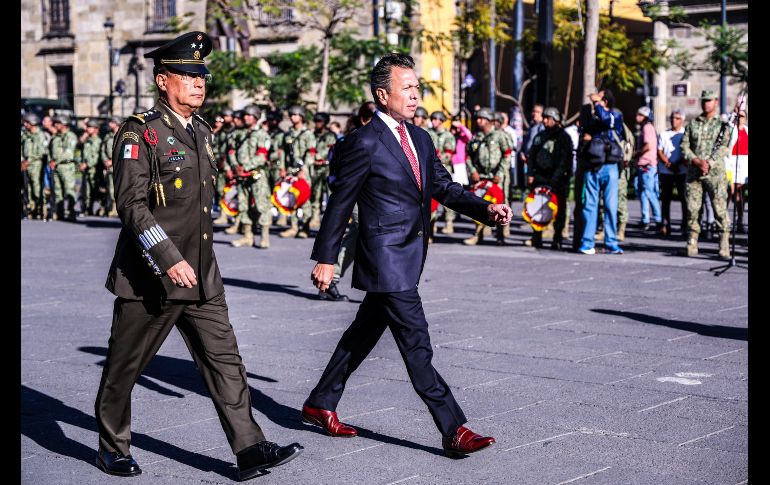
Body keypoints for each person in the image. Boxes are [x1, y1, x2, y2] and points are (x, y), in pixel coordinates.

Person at [94, 32, 302, 481]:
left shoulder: (202, 131)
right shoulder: (140, 132)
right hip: (152, 276)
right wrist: (168, 257)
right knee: (125, 367)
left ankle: (249, 448)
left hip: (203, 275)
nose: (198, 82)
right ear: (162, 79)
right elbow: (131, 206)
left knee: (225, 360)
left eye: (201, 75)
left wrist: (198, 263)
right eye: (187, 75)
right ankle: (112, 445)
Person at [302, 53, 512, 458]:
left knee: (362, 335)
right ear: (383, 95)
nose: (415, 95)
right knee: (417, 342)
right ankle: (453, 428)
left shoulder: (419, 138)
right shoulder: (362, 142)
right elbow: (340, 203)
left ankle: (320, 402)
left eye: (417, 88)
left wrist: (485, 209)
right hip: (385, 257)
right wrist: (326, 257)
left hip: (409, 254)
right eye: (407, 88)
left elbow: (443, 188)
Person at [681, 90, 731, 259]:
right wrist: (696, 161)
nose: (706, 104)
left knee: (719, 209)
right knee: (692, 209)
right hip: (694, 172)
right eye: (704, 101)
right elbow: (684, 146)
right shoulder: (693, 123)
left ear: (716, 102)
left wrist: (708, 162)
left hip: (715, 173)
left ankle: (724, 242)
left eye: (709, 101)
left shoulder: (722, 125)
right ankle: (692, 240)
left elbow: (724, 147)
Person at [577, 90, 624, 254]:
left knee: (611, 206)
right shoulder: (592, 119)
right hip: (593, 166)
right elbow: (585, 132)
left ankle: (611, 242)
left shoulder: (615, 115)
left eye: (600, 97)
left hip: (609, 166)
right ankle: (587, 242)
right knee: (589, 205)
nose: (595, 99)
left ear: (606, 101)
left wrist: (597, 103)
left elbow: (607, 120)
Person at [524, 107, 573, 250]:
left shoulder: (563, 137)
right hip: (540, 177)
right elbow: (532, 156)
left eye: (548, 118)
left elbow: (565, 161)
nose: (544, 121)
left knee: (559, 210)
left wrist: (556, 178)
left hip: (557, 180)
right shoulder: (540, 136)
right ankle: (536, 236)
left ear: (555, 120)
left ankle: (557, 238)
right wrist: (531, 174)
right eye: (544, 118)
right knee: (537, 207)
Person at [230, 105, 272, 249]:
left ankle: (264, 237)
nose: (246, 118)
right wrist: (236, 166)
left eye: (249, 115)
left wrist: (246, 167)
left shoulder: (262, 134)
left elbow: (262, 156)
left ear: (256, 117)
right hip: (241, 176)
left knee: (262, 205)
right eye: (245, 115)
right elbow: (232, 151)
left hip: (257, 175)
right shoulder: (239, 133)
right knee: (243, 205)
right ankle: (247, 236)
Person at [657, 109, 688, 237]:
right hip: (667, 171)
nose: (674, 121)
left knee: (684, 199)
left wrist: (677, 164)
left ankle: (685, 225)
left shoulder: (685, 134)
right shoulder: (664, 134)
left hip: (681, 170)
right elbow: (659, 151)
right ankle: (665, 224)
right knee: (666, 199)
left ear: (682, 120)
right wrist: (669, 164)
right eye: (672, 118)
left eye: (677, 118)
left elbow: (686, 151)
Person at [633, 106, 662, 232]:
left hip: (647, 165)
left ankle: (659, 219)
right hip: (645, 165)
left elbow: (648, 145)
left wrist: (637, 153)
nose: (637, 117)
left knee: (649, 193)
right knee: (644, 193)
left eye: (640, 115)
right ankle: (645, 219)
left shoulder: (647, 127)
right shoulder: (647, 128)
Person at [429, 111, 457, 236]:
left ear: (441, 120)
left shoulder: (448, 135)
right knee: (431, 200)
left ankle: (449, 222)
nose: (434, 121)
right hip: (430, 170)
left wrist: (436, 158)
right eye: (433, 119)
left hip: (445, 170)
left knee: (447, 197)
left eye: (436, 119)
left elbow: (449, 154)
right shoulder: (428, 133)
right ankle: (431, 226)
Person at [309, 112, 337, 230]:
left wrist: (319, 157)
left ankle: (331, 221)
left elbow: (330, 149)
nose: (317, 124)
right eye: (316, 121)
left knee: (330, 194)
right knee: (316, 194)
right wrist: (313, 159)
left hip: (327, 168)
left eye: (319, 121)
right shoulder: (313, 135)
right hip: (316, 169)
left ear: (325, 123)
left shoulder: (330, 135)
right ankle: (315, 218)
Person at [725, 108, 748, 233]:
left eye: (742, 116)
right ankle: (724, 219)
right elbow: (728, 123)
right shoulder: (731, 129)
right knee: (729, 191)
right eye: (738, 116)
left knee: (740, 192)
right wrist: (734, 112)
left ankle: (740, 220)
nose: (740, 118)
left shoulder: (747, 131)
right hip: (731, 163)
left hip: (744, 164)